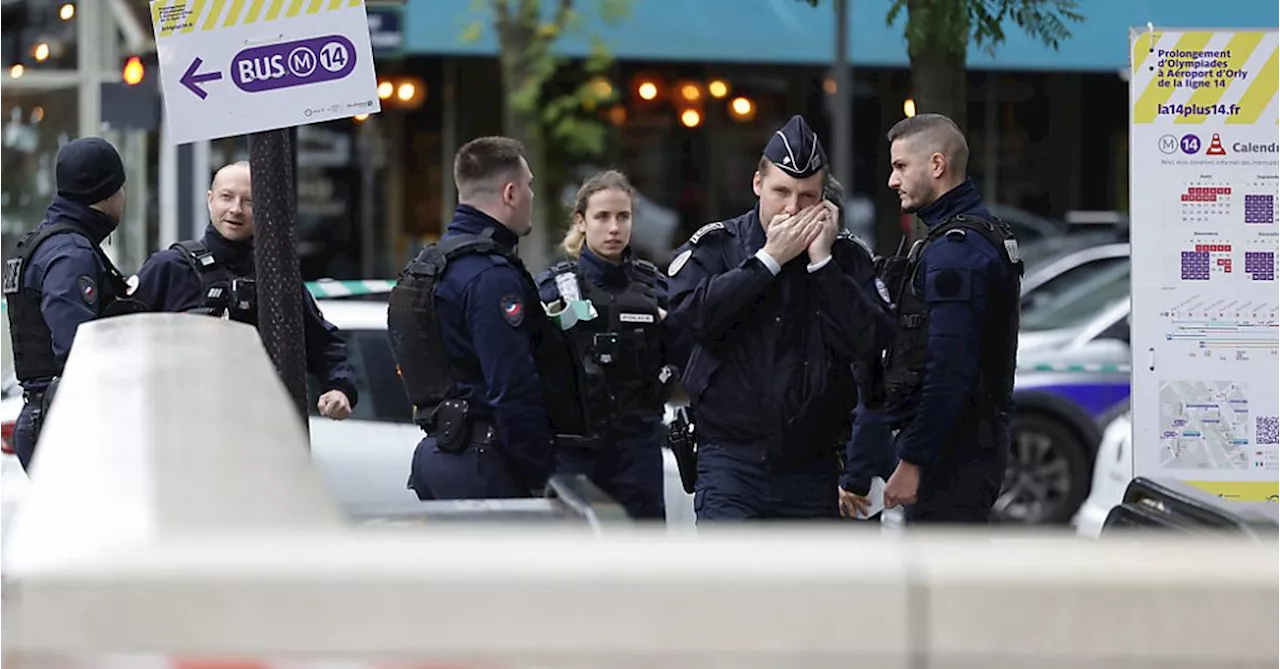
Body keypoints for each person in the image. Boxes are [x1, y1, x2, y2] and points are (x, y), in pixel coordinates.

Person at [667, 114, 893, 522]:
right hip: (730, 461)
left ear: (824, 197)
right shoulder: (718, 246)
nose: (792, 208)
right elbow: (692, 317)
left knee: (803, 586)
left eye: (807, 196)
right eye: (781, 192)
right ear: (758, 185)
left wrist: (823, 264)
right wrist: (767, 261)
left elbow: (869, 340)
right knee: (733, 583)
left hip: (812, 466)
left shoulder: (847, 258)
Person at [388, 136, 593, 500]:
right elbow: (512, 387)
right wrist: (542, 476)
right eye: (528, 185)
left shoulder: (433, 264)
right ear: (510, 193)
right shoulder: (492, 276)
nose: (532, 194)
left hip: (440, 456)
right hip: (486, 464)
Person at [869, 113, 1023, 524]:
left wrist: (914, 460)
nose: (892, 180)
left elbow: (950, 369)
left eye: (900, 166)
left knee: (942, 581)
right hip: (963, 447)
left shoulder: (956, 252)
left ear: (936, 165)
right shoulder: (964, 238)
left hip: (956, 455)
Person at [132, 161, 357, 420]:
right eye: (226, 197)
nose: (235, 210)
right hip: (181, 429)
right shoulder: (168, 268)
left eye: (249, 201)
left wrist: (339, 388)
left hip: (258, 429)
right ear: (210, 199)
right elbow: (120, 341)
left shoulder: (278, 277)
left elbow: (324, 343)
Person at [533, 170, 690, 520]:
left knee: (640, 559)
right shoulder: (554, 288)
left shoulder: (656, 289)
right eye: (602, 217)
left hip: (639, 446)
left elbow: (688, 358)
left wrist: (670, 325)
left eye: (623, 216)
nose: (614, 227)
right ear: (582, 221)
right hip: (574, 451)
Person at [3, 137, 148, 470]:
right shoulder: (71, 254)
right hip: (65, 423)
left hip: (49, 417)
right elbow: (79, 352)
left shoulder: (46, 242)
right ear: (109, 192)